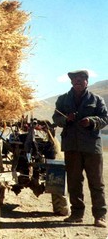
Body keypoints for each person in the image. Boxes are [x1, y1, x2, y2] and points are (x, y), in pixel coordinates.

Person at [52, 69, 108, 228]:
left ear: (87, 81)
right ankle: (77, 214)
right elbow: (56, 118)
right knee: (74, 182)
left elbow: (105, 119)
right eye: (75, 79)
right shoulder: (63, 100)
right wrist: (65, 119)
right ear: (71, 82)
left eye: (81, 78)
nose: (78, 81)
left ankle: (100, 216)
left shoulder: (96, 100)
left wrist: (91, 121)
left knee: (97, 183)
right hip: (72, 146)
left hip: (92, 148)